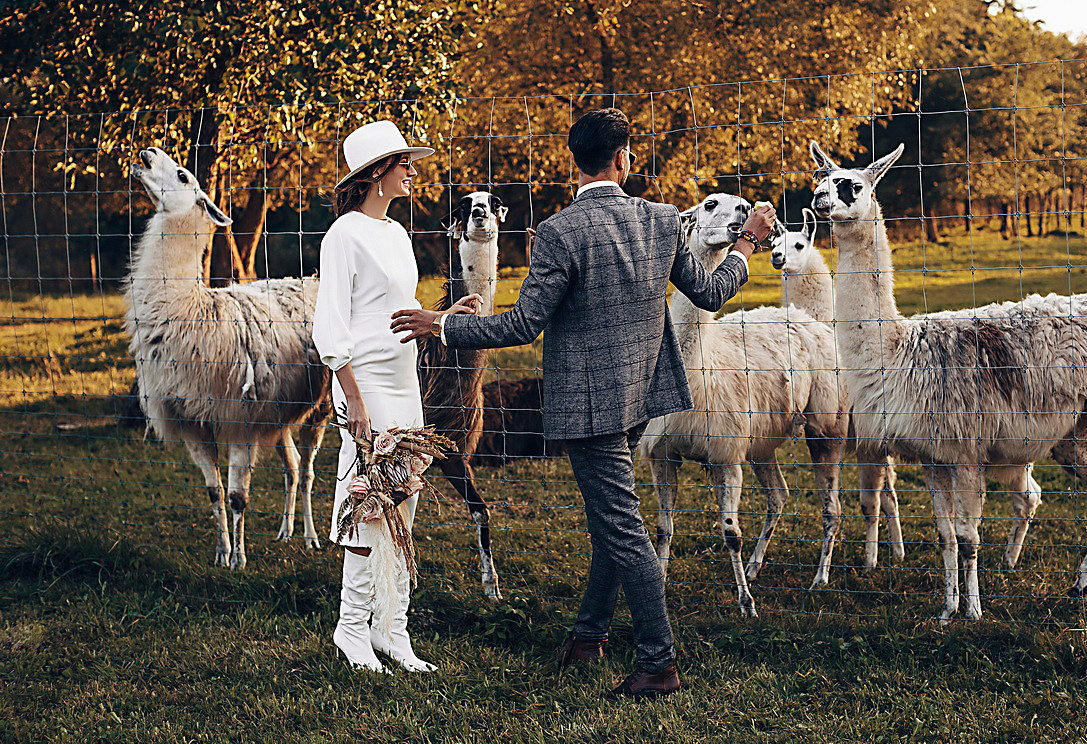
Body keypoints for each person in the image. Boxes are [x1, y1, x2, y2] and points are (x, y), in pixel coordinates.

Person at [391, 108, 777, 698]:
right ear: (624, 158)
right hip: (642, 396)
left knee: (622, 529)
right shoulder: (661, 221)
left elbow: (522, 324)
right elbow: (711, 291)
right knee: (611, 519)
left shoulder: (559, 232)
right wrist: (746, 242)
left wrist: (442, 324)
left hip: (590, 410)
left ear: (575, 162)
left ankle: (658, 664)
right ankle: (587, 636)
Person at [314, 120, 478, 673]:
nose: (413, 170)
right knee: (367, 501)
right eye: (404, 162)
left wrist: (444, 320)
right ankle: (351, 627)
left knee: (403, 501)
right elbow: (331, 325)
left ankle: (393, 628)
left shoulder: (398, 234)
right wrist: (352, 398)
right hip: (367, 386)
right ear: (377, 172)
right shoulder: (343, 235)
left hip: (404, 381)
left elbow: (399, 311)